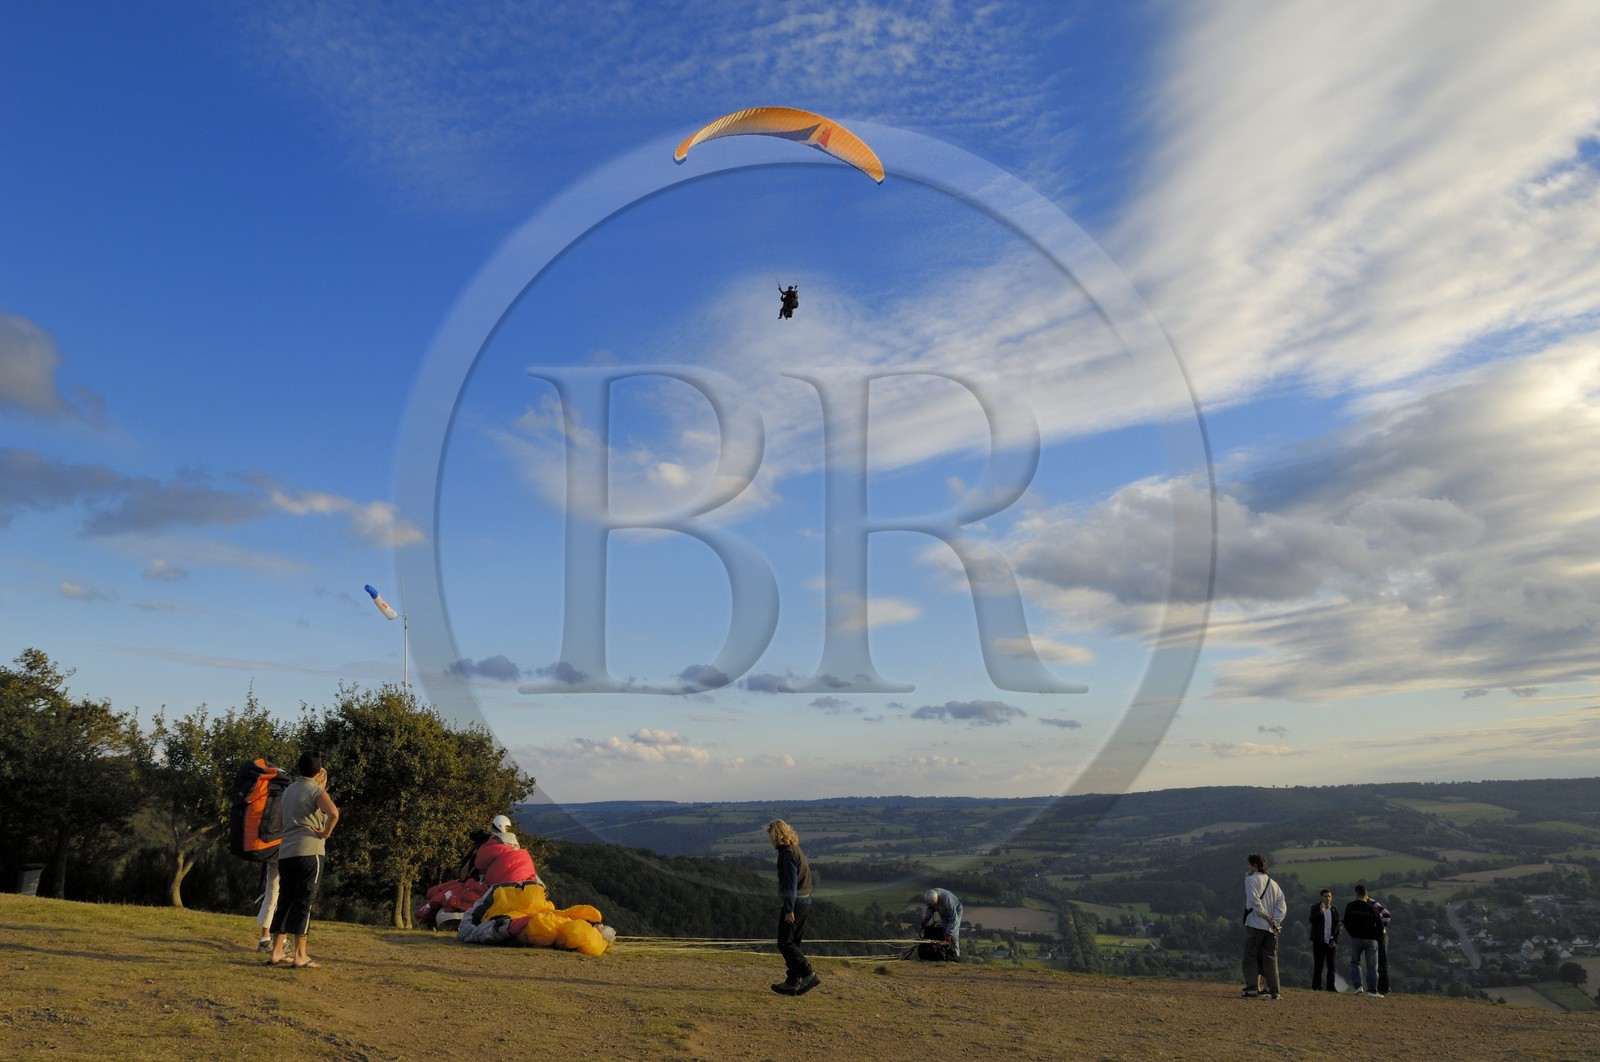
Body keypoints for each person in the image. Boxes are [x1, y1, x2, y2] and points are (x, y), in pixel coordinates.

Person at [266, 752, 339, 970]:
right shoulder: (316, 791)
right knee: (304, 901)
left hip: (286, 853)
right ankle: (301, 955)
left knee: (285, 900)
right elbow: (334, 813)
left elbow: (278, 823)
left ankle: (276, 951)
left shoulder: (288, 791)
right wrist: (325, 833)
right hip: (310, 852)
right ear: (318, 770)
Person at [766, 819, 819, 996]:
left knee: (785, 942)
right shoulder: (795, 849)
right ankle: (793, 981)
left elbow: (790, 884)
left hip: (795, 904)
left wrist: (789, 909)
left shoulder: (787, 854)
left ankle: (808, 974)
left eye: (771, 835)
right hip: (805, 901)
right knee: (794, 943)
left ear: (776, 835)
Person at [1241, 853, 1287, 999]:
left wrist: (1266, 916)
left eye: (1250, 865)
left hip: (1255, 924)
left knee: (1250, 956)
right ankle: (1275, 991)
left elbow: (1254, 902)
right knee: (1270, 959)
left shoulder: (1250, 880)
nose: (1248, 868)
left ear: (1255, 865)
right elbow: (1282, 904)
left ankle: (1252, 988)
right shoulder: (1274, 883)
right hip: (1271, 928)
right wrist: (1276, 920)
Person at [1343, 884, 1385, 996]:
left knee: (1355, 962)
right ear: (1366, 894)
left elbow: (1345, 921)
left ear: (1356, 893)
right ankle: (1372, 990)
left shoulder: (1351, 906)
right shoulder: (1371, 908)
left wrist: (1352, 933)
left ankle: (1358, 986)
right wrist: (1377, 936)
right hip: (1370, 939)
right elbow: (1380, 924)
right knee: (1372, 966)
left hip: (1356, 938)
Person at [1308, 888, 1341, 990]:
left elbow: (1338, 925)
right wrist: (1321, 911)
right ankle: (1316, 986)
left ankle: (1331, 987)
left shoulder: (1334, 910)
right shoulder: (1315, 908)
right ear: (1321, 897)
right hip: (1319, 941)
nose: (1328, 898)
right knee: (1318, 965)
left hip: (1331, 941)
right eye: (1325, 896)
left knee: (1332, 966)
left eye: (1329, 896)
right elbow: (1312, 920)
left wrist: (1335, 940)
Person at [921, 888, 964, 960]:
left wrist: (950, 934)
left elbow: (953, 919)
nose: (935, 905)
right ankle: (945, 956)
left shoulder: (947, 900)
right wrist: (925, 921)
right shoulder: (929, 896)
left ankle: (956, 957)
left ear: (938, 898)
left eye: (935, 904)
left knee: (953, 936)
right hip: (943, 912)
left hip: (956, 910)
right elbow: (930, 908)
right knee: (945, 932)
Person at [254, 858, 279, 951]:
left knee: (271, 895)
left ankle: (266, 939)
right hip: (285, 855)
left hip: (274, 855)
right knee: (278, 897)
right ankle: (279, 942)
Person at [1371, 894, 1394, 995]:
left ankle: (1384, 987)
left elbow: (1386, 915)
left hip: (1380, 936)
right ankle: (1381, 986)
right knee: (1378, 962)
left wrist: (1379, 928)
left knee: (1381, 961)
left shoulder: (1372, 903)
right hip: (1378, 936)